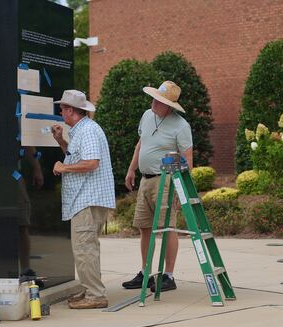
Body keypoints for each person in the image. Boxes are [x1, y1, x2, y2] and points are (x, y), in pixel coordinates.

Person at [122, 80, 193, 292]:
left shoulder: (181, 126)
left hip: (167, 181)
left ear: (169, 106)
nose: (154, 102)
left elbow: (188, 160)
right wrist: (131, 169)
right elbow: (141, 144)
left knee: (167, 227)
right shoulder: (147, 115)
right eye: (154, 98)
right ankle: (145, 273)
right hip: (145, 179)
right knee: (144, 227)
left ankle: (168, 276)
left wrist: (177, 184)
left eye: (159, 100)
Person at [51, 89, 116, 308]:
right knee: (86, 248)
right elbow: (77, 155)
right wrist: (61, 141)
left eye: (62, 108)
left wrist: (63, 167)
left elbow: (91, 163)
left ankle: (95, 296)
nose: (60, 112)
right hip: (86, 199)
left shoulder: (87, 131)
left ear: (71, 110)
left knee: (84, 249)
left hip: (87, 199)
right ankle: (90, 290)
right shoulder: (82, 130)